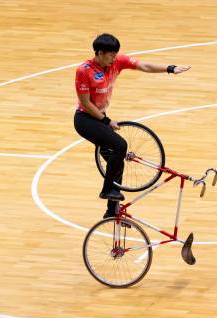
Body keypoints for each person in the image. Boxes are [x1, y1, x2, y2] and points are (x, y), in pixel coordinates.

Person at [74, 33, 190, 218]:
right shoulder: (84, 70)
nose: (114, 58)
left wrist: (169, 68)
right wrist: (106, 121)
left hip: (100, 118)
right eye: (111, 55)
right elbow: (86, 103)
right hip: (86, 120)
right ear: (100, 53)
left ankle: (112, 210)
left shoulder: (117, 62)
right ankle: (106, 190)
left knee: (116, 161)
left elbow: (143, 65)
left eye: (115, 55)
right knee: (120, 145)